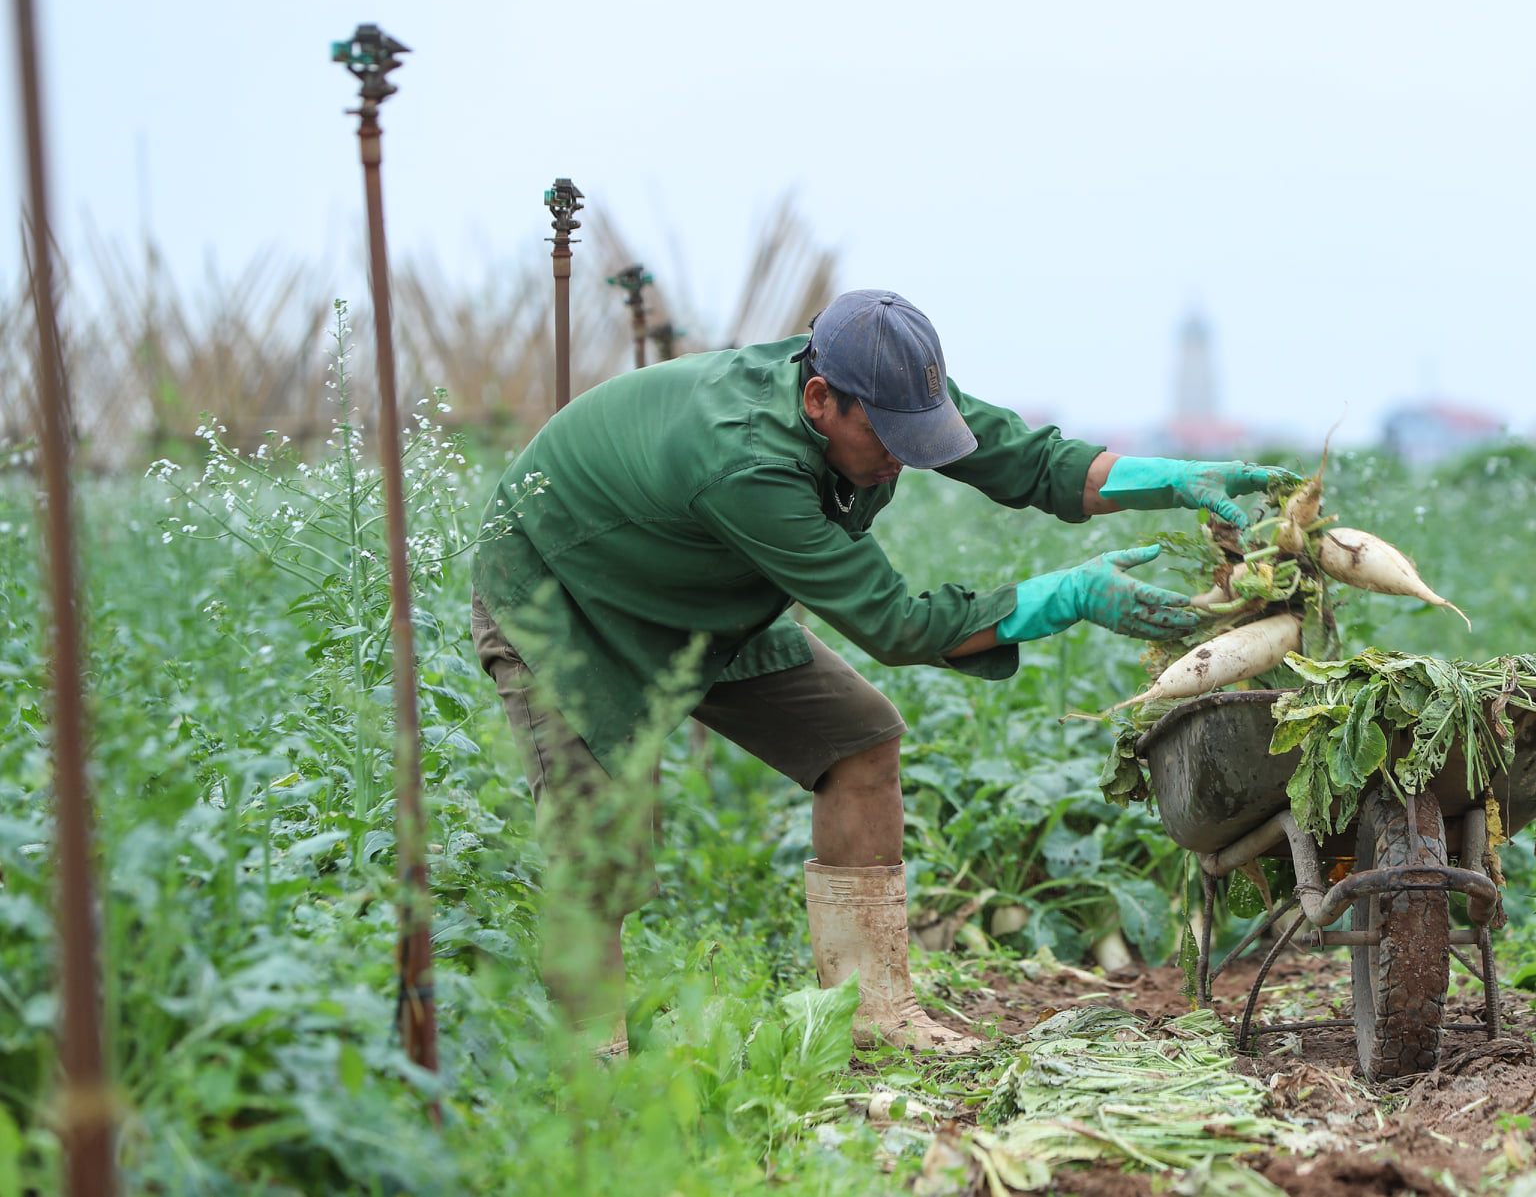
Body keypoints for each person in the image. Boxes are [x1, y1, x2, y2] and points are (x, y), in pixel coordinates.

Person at [469, 289, 1281, 1055]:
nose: (902, 457)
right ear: (820, 398)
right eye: (887, 439)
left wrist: (1171, 479)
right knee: (600, 840)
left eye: (914, 435)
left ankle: (874, 1012)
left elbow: (1028, 460)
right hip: (569, 597)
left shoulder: (887, 390)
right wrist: (1067, 595)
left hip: (705, 591)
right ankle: (595, 1066)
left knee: (858, 742)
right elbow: (895, 622)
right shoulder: (746, 462)